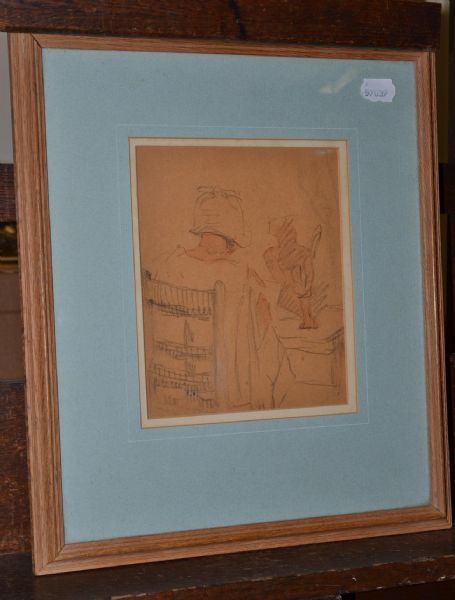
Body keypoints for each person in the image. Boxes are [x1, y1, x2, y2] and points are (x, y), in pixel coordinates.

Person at [145, 186, 293, 414]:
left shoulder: (165, 264)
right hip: (224, 383)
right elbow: (265, 325)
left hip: (172, 378)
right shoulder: (241, 273)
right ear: (232, 234)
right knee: (274, 350)